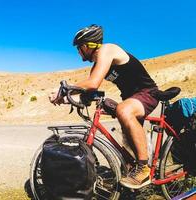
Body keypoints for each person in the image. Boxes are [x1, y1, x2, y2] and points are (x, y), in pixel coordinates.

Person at [49, 24, 159, 189]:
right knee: (128, 150)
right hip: (131, 98)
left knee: (123, 110)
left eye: (79, 48)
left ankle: (144, 170)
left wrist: (63, 91)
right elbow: (87, 92)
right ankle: (134, 176)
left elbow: (93, 83)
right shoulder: (97, 64)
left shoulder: (107, 50)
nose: (78, 52)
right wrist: (64, 99)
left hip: (148, 93)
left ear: (86, 46)